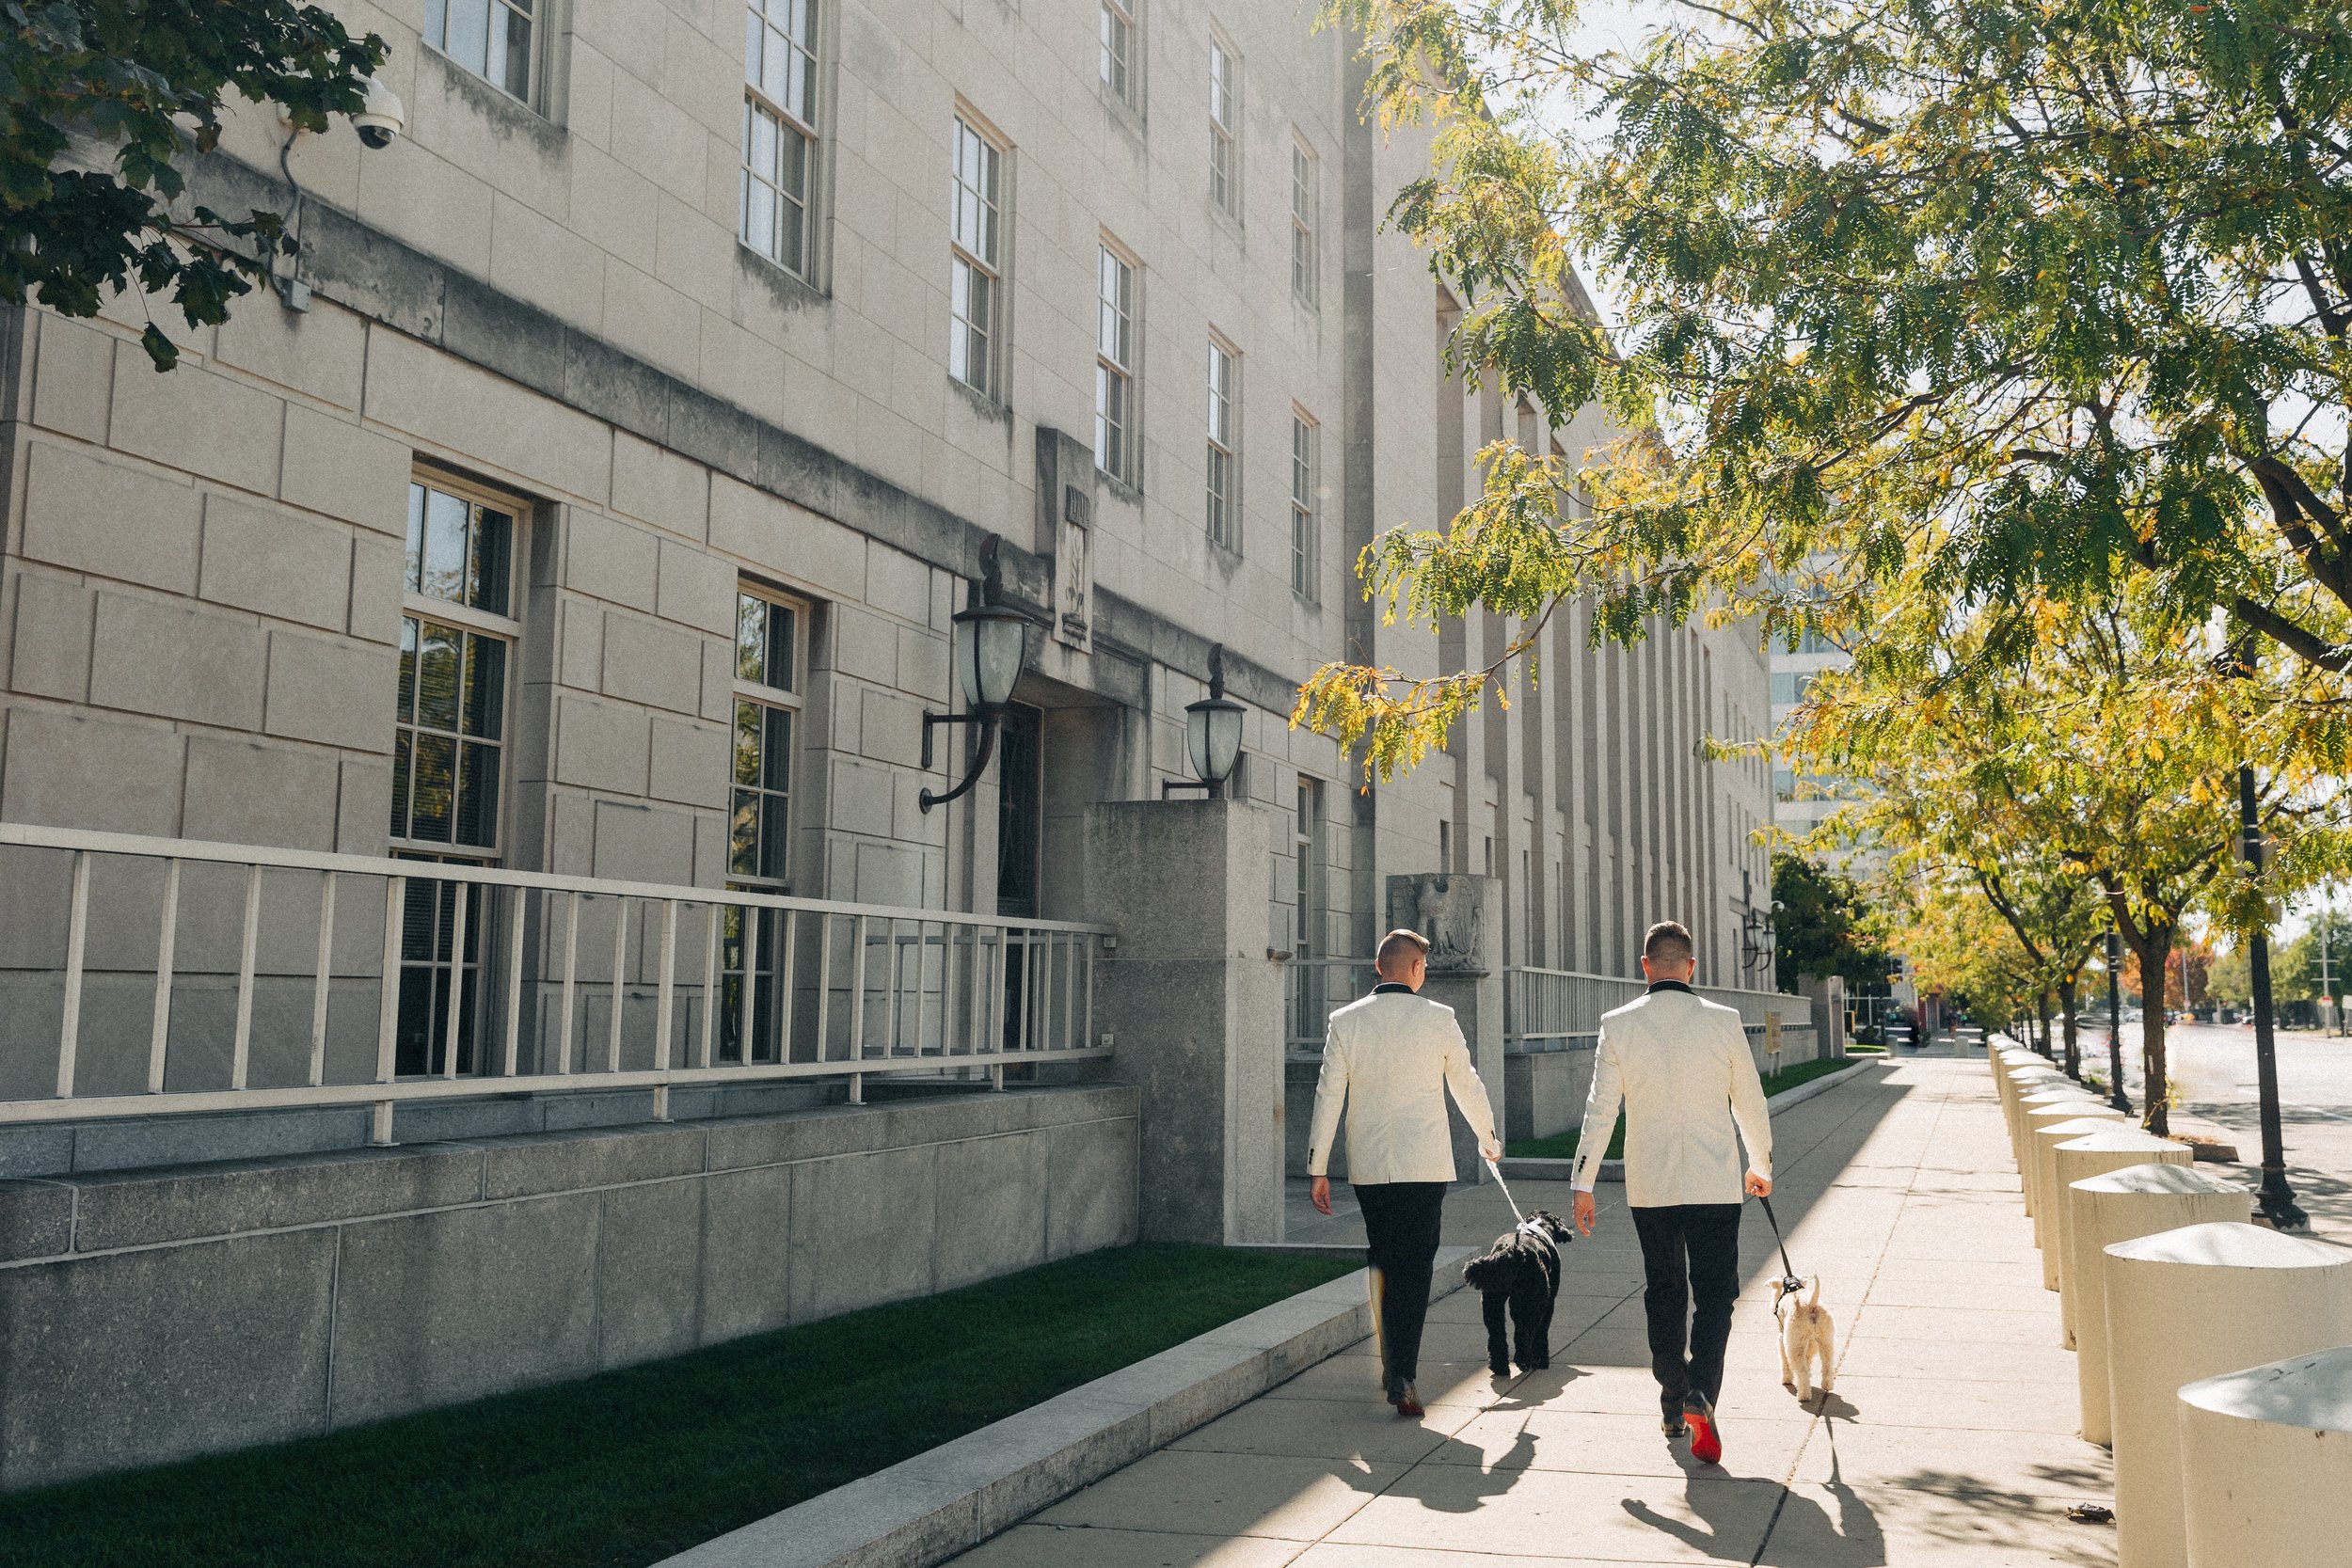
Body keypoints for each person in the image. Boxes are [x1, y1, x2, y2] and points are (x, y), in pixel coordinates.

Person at [1570, 920, 1772, 1464]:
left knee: (1664, 1289)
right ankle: (1701, 1390)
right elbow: (1748, 1101)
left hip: (1652, 1184)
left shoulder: (1618, 1025)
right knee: (1715, 1295)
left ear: (1645, 966)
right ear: (1691, 967)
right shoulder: (1724, 1022)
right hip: (1712, 1182)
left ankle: (1672, 1398)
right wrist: (1761, 1164)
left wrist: (1582, 1182)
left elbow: (1600, 1109)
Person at [1306, 927, 1503, 1418]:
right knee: (1415, 1267)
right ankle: (1402, 1372)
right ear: (1416, 970)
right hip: (1424, 1164)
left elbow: (1328, 1094)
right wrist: (1488, 1137)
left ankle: (1392, 1366)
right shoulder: (1439, 1018)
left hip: (1369, 1165)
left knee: (1384, 1259)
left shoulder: (1345, 1021)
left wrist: (1317, 1166)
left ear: (1379, 967)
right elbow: (1466, 1082)